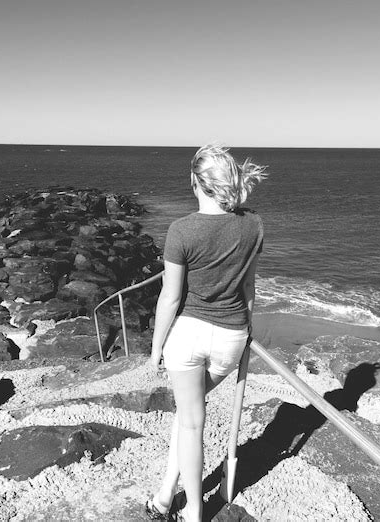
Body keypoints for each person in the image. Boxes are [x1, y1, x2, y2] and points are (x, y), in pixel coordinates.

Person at [146, 143, 267, 522]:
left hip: (188, 338)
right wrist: (248, 330)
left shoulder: (181, 230)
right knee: (187, 416)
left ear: (195, 183)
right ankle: (166, 495)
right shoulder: (253, 225)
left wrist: (155, 348)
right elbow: (248, 288)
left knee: (190, 421)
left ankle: (194, 510)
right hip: (231, 339)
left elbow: (170, 297)